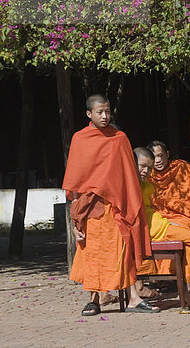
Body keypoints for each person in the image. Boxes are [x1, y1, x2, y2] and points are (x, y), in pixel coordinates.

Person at [63, 94, 159, 315]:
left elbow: (127, 176)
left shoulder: (119, 138)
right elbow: (76, 180)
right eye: (100, 112)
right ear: (89, 114)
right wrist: (76, 217)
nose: (105, 116)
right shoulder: (80, 139)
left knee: (123, 249)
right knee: (93, 252)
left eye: (107, 112)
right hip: (92, 207)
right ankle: (94, 299)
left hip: (116, 206)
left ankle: (134, 298)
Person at [134, 147, 190, 307]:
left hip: (161, 225)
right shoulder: (129, 185)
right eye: (142, 166)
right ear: (132, 163)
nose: (146, 171)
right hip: (154, 231)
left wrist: (166, 221)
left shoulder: (144, 184)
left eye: (149, 168)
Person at [147, 141, 190, 234]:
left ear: (167, 154)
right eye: (154, 157)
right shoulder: (148, 175)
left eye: (161, 155)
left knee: (184, 226)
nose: (158, 160)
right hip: (160, 217)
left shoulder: (182, 168)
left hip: (184, 215)